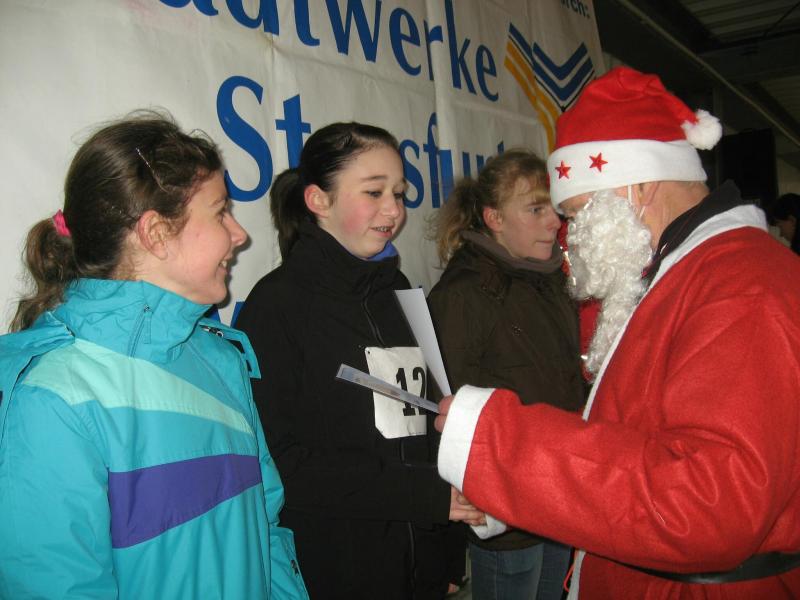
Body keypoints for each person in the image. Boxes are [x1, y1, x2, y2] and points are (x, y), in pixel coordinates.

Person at [433, 66, 800, 599]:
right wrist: (522, 489)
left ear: (640, 186)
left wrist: (502, 444)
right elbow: (637, 441)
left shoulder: (742, 287)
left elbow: (707, 505)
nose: (570, 236)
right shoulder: (683, 272)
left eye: (578, 212)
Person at [0, 113, 308, 599]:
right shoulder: (55, 397)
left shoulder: (220, 359)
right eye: (220, 212)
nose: (239, 235)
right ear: (156, 233)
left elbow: (266, 531)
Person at [235, 122, 480, 599]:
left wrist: (446, 548)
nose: (393, 210)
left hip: (421, 568)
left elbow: (435, 421)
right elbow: (281, 463)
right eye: (374, 192)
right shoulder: (277, 305)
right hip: (335, 571)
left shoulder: (401, 293)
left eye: (399, 193)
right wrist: (424, 499)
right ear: (318, 200)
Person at [427, 149, 585, 599]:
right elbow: (447, 408)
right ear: (494, 218)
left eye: (553, 209)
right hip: (505, 508)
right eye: (535, 210)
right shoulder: (466, 293)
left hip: (558, 492)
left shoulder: (549, 279)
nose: (554, 222)